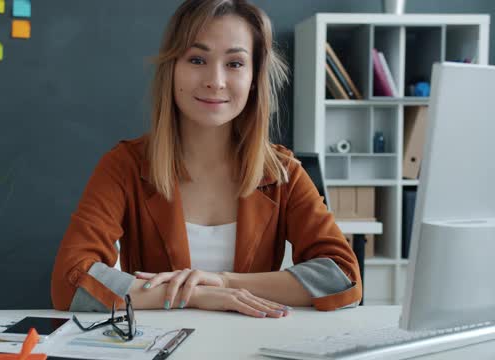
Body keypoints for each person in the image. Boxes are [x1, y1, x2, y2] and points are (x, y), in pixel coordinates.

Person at [51, 0, 362, 318]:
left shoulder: (283, 173)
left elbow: (343, 278)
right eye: (197, 59)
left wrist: (225, 283)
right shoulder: (124, 165)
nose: (215, 80)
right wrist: (198, 296)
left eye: (235, 64)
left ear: (254, 77)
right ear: (172, 69)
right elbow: (70, 281)